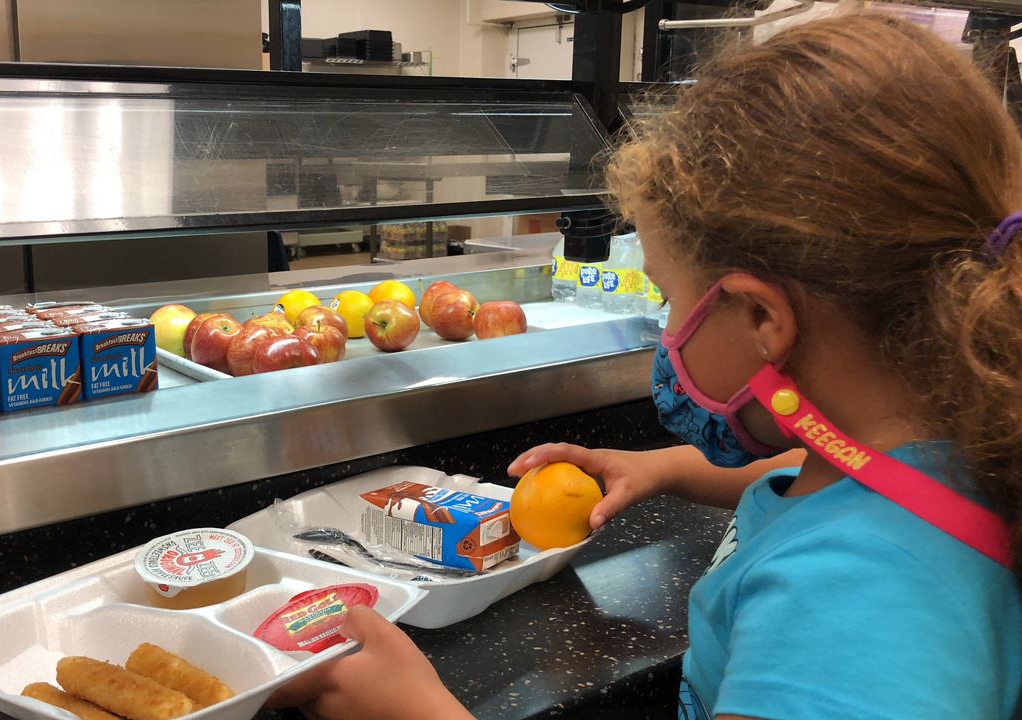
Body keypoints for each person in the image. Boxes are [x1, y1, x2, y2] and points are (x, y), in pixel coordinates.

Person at [267, 13, 1022, 720]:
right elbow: (822, 475)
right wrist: (662, 470)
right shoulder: (947, 443)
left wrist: (421, 712)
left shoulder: (851, 606)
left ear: (763, 319)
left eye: (668, 297)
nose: (667, 331)